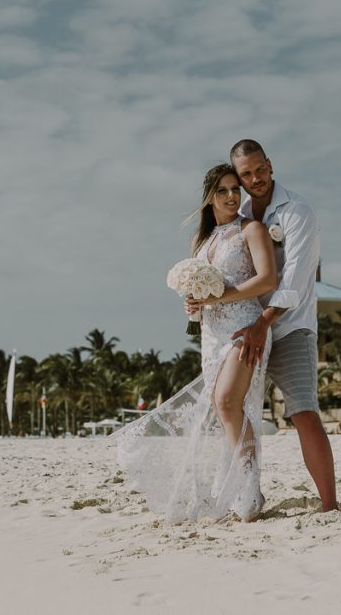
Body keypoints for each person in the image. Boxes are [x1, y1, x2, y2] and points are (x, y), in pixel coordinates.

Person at [115, 164, 277, 522]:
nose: (233, 196)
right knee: (223, 411)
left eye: (236, 189)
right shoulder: (201, 242)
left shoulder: (252, 230)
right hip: (212, 333)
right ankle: (237, 486)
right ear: (209, 197)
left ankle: (251, 486)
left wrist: (218, 298)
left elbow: (267, 280)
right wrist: (193, 303)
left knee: (227, 401)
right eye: (223, 191)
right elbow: (201, 293)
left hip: (245, 327)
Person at [227, 139, 338, 511]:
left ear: (270, 165)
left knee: (303, 411)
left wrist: (265, 321)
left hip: (289, 325)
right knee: (228, 407)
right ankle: (246, 495)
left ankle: (330, 504)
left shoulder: (298, 211)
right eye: (246, 173)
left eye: (260, 169)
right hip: (245, 327)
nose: (255, 178)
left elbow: (296, 278)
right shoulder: (236, 210)